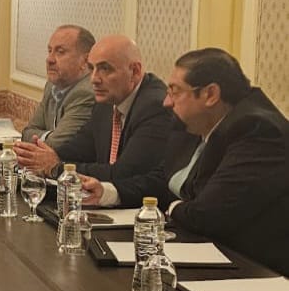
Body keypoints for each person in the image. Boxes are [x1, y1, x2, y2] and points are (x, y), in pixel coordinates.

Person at [82, 48, 289, 276]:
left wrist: (171, 207)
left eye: (175, 92)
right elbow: (164, 180)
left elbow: (206, 216)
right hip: (199, 252)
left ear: (210, 94)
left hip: (252, 271)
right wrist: (109, 192)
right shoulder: (195, 122)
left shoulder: (257, 131)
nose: (166, 102)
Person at [14, 34, 172, 183]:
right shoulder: (107, 101)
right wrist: (42, 157)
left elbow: (122, 174)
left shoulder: (155, 107)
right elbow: (79, 148)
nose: (94, 79)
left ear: (135, 71)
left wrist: (57, 168)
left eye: (105, 69)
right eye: (92, 68)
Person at [20, 25, 96, 151]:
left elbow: (57, 145)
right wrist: (51, 136)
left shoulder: (86, 93)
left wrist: (47, 137)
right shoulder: (52, 86)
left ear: (85, 61)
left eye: (60, 52)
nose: (49, 59)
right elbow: (27, 132)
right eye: (50, 51)